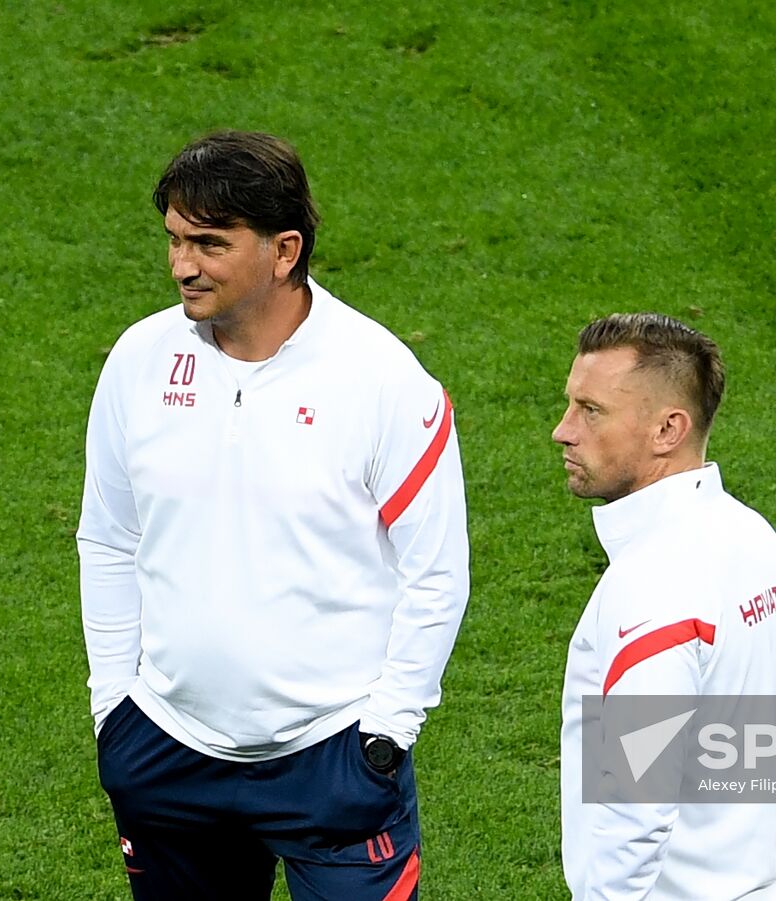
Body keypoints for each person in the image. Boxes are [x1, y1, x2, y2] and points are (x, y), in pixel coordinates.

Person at [76, 131, 469, 900]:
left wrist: (387, 732)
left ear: (284, 249)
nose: (182, 265)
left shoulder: (383, 379)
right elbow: (108, 536)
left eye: (210, 243)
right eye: (175, 240)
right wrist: (113, 704)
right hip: (166, 751)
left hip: (333, 758)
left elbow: (437, 573)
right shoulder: (138, 361)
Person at [554, 313, 776, 900]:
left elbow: (636, 809)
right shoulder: (756, 539)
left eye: (591, 411)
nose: (563, 431)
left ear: (668, 429)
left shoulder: (652, 585)